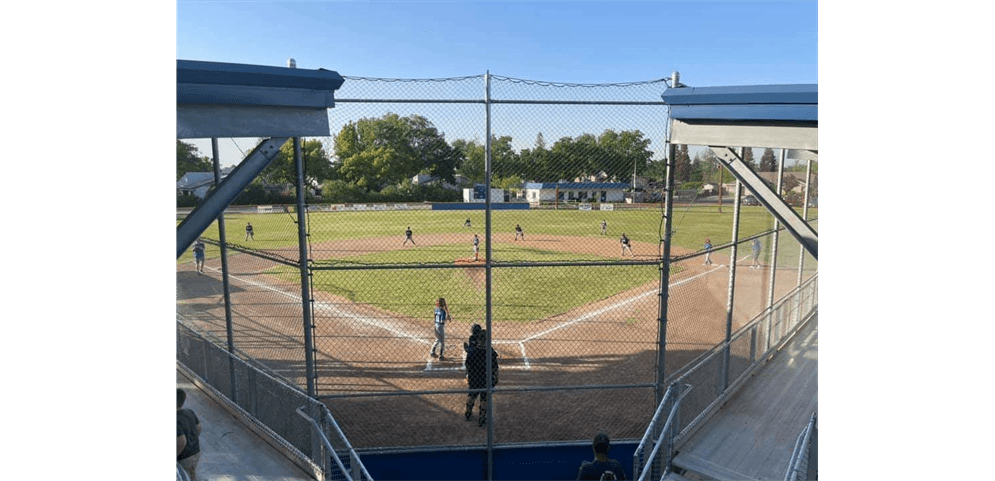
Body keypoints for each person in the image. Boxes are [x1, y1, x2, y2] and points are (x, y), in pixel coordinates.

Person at [464, 328, 499, 427]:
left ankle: (468, 412)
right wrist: (496, 377)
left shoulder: (472, 351)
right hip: (486, 378)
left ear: (478, 339)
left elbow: (467, 365)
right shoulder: (490, 352)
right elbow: (495, 368)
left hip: (474, 377)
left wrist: (468, 374)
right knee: (484, 398)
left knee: (471, 395)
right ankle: (482, 417)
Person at [176, 388, 203, 481]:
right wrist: (192, 440)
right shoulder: (189, 412)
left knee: (184, 476)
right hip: (195, 452)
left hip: (184, 458)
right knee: (192, 474)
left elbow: (182, 441)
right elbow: (198, 427)